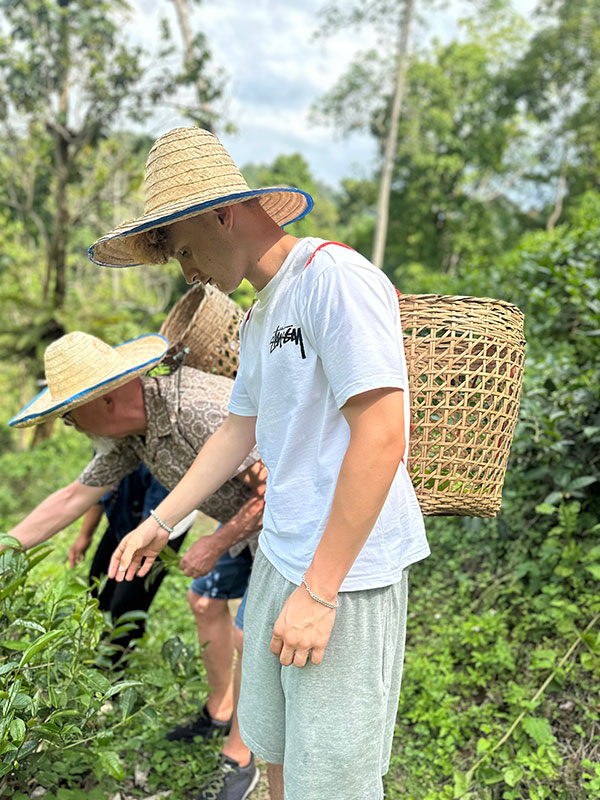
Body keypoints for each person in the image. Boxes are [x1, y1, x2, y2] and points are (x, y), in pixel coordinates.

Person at [90, 126, 430, 800]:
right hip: (280, 556)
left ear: (225, 213)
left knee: (329, 781)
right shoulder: (257, 317)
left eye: (184, 250)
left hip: (346, 573)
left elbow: (384, 434)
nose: (187, 272)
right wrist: (165, 516)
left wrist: (322, 589)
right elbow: (238, 431)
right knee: (273, 756)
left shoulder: (333, 279)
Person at [8, 330, 265, 796]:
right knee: (206, 603)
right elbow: (72, 497)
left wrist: (215, 542)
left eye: (70, 414)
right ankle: (219, 710)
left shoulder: (198, 410)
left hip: (288, 525)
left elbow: (280, 489)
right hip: (242, 524)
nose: (70, 425)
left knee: (251, 635)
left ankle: (240, 758)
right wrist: (6, 548)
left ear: (105, 401)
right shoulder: (136, 434)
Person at [69, 463, 194, 664]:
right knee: (98, 587)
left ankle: (115, 669)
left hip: (162, 527)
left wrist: (132, 550)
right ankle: (96, 652)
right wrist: (85, 535)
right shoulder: (107, 442)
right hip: (126, 513)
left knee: (126, 604)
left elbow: (154, 518)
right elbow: (97, 487)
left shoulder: (163, 460)